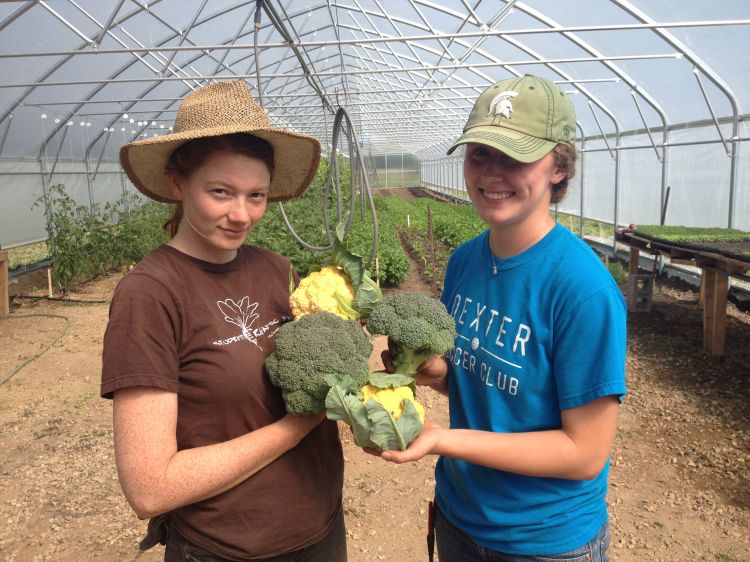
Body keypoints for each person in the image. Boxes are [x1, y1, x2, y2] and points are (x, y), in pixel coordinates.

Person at [378, 74, 627, 561]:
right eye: (480, 154)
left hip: (543, 542)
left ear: (559, 167)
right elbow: (495, 388)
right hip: (459, 516)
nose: (491, 174)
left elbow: (584, 453)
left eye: (515, 157)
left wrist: (442, 440)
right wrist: (439, 375)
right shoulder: (465, 262)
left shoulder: (583, 290)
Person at [101, 80, 347, 561]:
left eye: (256, 195)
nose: (241, 214)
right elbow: (149, 488)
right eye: (221, 192)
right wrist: (298, 426)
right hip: (229, 547)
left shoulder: (275, 268)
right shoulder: (150, 294)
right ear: (178, 184)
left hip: (320, 529)